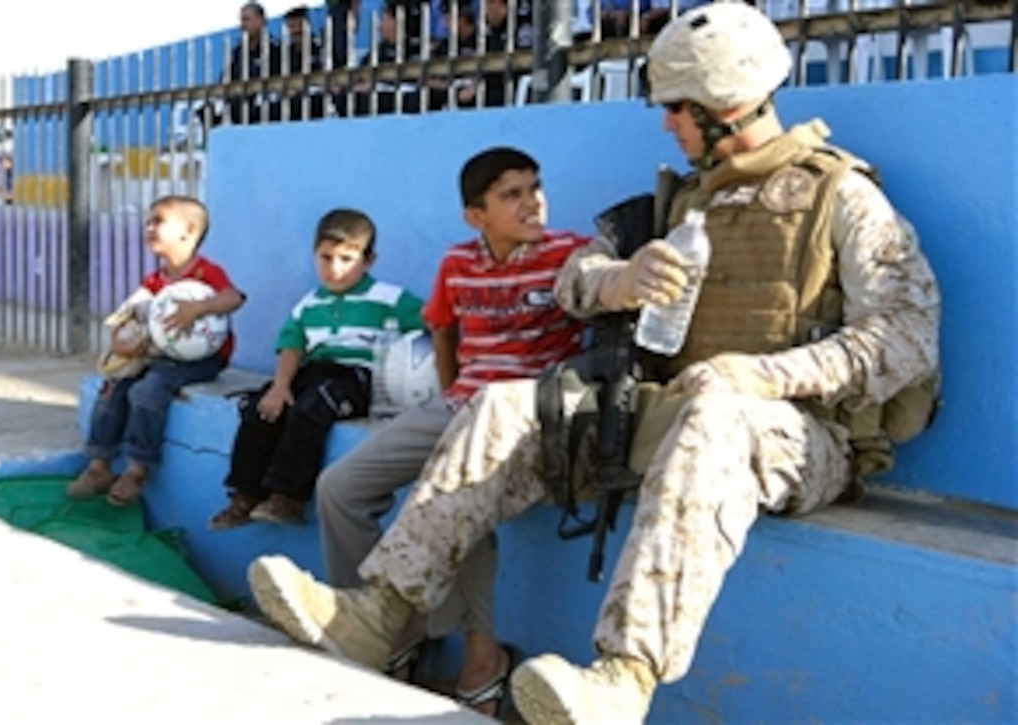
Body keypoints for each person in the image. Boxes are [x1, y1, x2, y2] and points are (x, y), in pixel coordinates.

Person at [243, 2, 941, 723]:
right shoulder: (681, 203)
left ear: (723, 106)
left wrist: (761, 375)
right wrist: (623, 279)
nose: (666, 124)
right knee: (501, 405)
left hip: (798, 434)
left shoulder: (843, 197)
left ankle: (623, 679)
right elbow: (573, 278)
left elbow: (908, 339)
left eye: (677, 108)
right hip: (671, 414)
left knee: (718, 418)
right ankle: (378, 612)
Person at [306, 146, 591, 716]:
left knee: (460, 499)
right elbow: (442, 330)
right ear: (476, 215)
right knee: (338, 488)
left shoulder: (572, 254)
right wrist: (450, 393)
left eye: (534, 187)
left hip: (525, 414)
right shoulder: (458, 262)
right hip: (461, 400)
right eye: (511, 194)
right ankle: (387, 627)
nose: (531, 202)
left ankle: (479, 661)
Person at [208, 208, 424, 528]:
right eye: (325, 257)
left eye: (346, 259)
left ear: (369, 260)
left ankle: (288, 498)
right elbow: (292, 346)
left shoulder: (390, 298)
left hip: (358, 377)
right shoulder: (309, 303)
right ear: (314, 254)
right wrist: (280, 387)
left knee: (312, 407)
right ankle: (246, 496)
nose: (334, 268)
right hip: (313, 372)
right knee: (260, 407)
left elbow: (436, 324)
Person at [67, 195, 246, 507]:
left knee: (148, 391)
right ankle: (99, 465)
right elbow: (125, 317)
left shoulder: (206, 273)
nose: (148, 227)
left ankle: (138, 469)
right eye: (148, 221)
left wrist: (198, 308)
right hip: (159, 354)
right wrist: (120, 345)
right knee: (114, 388)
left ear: (188, 231)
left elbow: (234, 298)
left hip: (202, 360)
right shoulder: (153, 281)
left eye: (158, 221)